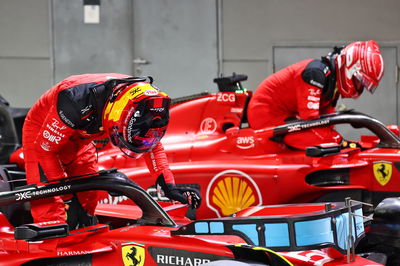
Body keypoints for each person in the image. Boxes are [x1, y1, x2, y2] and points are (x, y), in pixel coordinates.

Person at [22, 73, 201, 227]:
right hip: (43, 136)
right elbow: (45, 150)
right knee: (52, 209)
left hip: (81, 140)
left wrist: (168, 185)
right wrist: (67, 196)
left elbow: (151, 144)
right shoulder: (75, 99)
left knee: (87, 201)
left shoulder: (145, 105)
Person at [247, 40, 384, 151]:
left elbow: (327, 124)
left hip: (284, 115)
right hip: (265, 113)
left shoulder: (332, 81)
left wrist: (342, 141)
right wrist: (342, 143)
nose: (360, 87)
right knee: (326, 142)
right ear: (350, 67)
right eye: (360, 82)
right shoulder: (315, 74)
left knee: (332, 139)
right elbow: (310, 120)